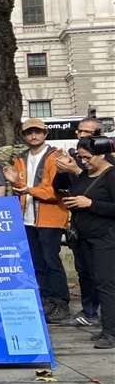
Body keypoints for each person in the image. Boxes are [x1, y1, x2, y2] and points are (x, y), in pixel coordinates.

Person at [5, 118, 72, 322]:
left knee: (51, 260)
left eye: (37, 132)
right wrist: (16, 183)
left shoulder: (56, 157)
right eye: (29, 132)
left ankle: (61, 302)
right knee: (36, 261)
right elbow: (20, 187)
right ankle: (45, 299)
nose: (33, 136)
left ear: (45, 133)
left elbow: (56, 191)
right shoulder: (20, 158)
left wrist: (27, 189)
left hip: (50, 218)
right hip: (27, 218)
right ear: (23, 136)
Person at [59, 137, 115, 347]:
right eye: (80, 158)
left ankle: (112, 332)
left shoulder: (111, 176)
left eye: (87, 157)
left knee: (108, 284)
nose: (84, 162)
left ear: (101, 154)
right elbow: (69, 190)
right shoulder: (86, 175)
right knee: (98, 284)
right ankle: (107, 327)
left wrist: (91, 203)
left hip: (106, 239)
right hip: (86, 239)